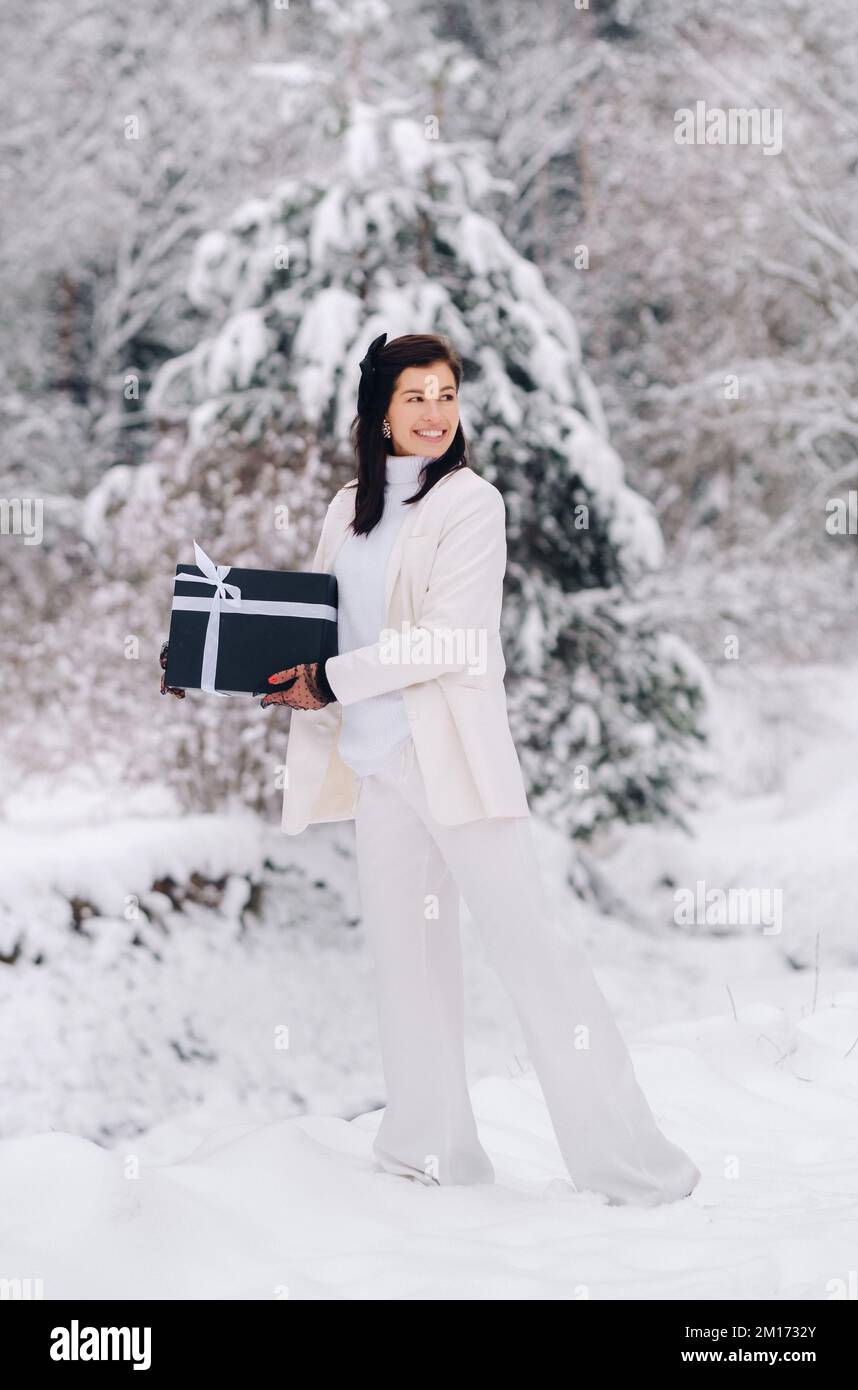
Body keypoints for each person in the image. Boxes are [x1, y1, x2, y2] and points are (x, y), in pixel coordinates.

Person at [163, 331, 701, 1206]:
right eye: (415, 396)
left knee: (535, 953)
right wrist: (201, 654)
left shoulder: (470, 503)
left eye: (446, 395)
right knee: (406, 961)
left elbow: (450, 638)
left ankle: (633, 1165)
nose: (434, 413)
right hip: (375, 764)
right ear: (378, 409)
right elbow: (319, 623)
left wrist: (331, 678)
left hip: (448, 759)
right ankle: (429, 1152)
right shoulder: (350, 507)